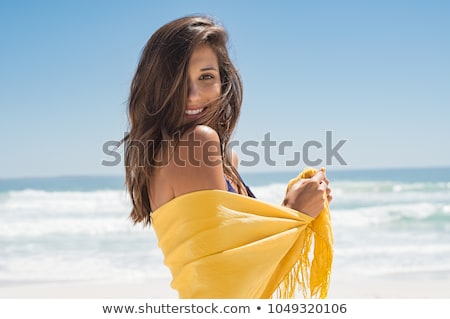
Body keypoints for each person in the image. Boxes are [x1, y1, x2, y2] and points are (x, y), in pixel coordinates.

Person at [124, 15, 333, 299]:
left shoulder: (209, 157)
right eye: (176, 79)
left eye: (206, 76)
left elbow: (226, 256)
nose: (193, 95)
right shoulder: (198, 143)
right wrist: (294, 211)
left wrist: (289, 212)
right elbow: (226, 281)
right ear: (156, 85)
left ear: (223, 81)